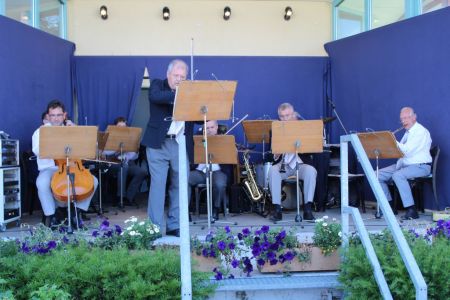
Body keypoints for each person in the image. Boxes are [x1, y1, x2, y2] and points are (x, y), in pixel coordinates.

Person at [141, 59, 195, 237]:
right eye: (176, 75)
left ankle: (174, 225)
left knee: (180, 186)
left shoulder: (189, 92)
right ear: (168, 74)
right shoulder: (158, 84)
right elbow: (155, 97)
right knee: (158, 185)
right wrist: (180, 94)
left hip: (180, 143)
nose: (179, 79)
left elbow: (195, 115)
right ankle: (154, 228)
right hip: (158, 144)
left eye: (183, 76)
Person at [32, 100, 98, 228]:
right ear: (48, 116)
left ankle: (75, 213)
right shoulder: (41, 132)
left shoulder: (71, 128)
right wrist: (49, 139)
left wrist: (77, 131)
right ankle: (51, 216)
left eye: (58, 115)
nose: (56, 119)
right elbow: (36, 151)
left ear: (64, 115)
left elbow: (89, 147)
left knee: (93, 182)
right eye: (52, 115)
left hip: (72, 166)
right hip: (50, 168)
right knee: (42, 183)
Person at [378, 107, 432, 220]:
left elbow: (406, 150)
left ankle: (411, 210)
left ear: (414, 117)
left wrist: (392, 140)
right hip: (404, 165)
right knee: (376, 175)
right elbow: (400, 153)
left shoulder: (420, 131)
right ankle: (389, 207)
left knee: (398, 175)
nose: (404, 121)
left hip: (421, 166)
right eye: (402, 119)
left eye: (407, 118)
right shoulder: (408, 133)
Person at [269, 102, 317, 221]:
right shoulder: (275, 130)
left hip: (300, 163)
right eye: (282, 116)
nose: (285, 119)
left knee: (311, 171)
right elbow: (273, 156)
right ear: (279, 116)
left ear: (293, 114)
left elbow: (311, 151)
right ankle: (277, 209)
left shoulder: (304, 128)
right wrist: (276, 155)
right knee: (273, 171)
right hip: (283, 164)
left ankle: (307, 208)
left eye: (288, 115)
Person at [102, 117, 147, 206]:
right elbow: (104, 152)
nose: (122, 129)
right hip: (113, 163)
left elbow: (135, 155)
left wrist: (128, 154)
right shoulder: (109, 136)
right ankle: (121, 197)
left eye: (124, 127)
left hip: (128, 162)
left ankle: (128, 197)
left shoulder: (130, 137)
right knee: (124, 167)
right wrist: (116, 150)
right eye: (119, 127)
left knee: (142, 172)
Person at [188, 120, 228, 220]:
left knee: (219, 184)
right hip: (200, 171)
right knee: (184, 179)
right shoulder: (198, 138)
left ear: (217, 127)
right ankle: (186, 210)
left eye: (212, 127)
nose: (209, 130)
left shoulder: (224, 139)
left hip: (217, 171)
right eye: (207, 128)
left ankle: (215, 210)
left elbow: (230, 158)